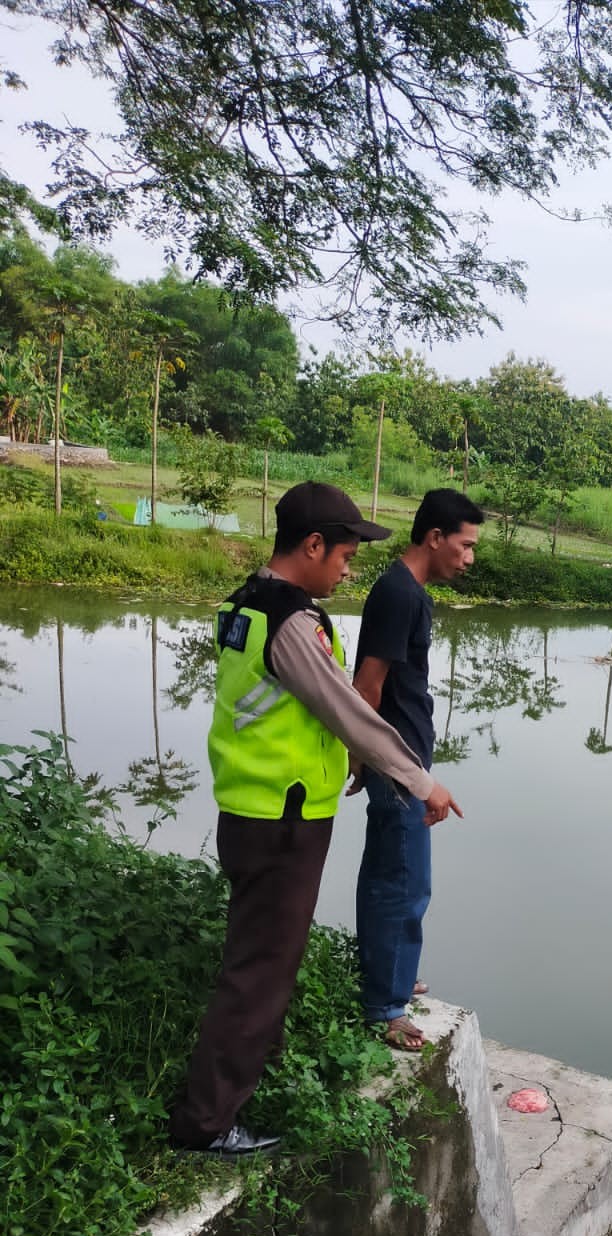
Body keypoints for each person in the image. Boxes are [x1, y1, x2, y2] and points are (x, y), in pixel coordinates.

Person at [169, 482, 460, 1157]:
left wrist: (348, 764)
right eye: (345, 554)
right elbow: (350, 710)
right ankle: (205, 1123)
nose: (349, 568)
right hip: (284, 819)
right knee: (259, 970)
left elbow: (292, 714)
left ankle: (238, 1090)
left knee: (262, 959)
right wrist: (419, 780)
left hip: (253, 809)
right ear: (312, 544)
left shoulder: (244, 602)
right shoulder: (292, 621)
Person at [352, 488, 482, 1050]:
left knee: (390, 871)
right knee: (403, 883)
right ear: (435, 538)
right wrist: (379, 759)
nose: (470, 557)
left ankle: (392, 978)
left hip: (399, 755)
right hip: (399, 759)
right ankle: (386, 1005)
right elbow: (367, 685)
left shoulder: (404, 590)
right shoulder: (400, 593)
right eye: (466, 544)